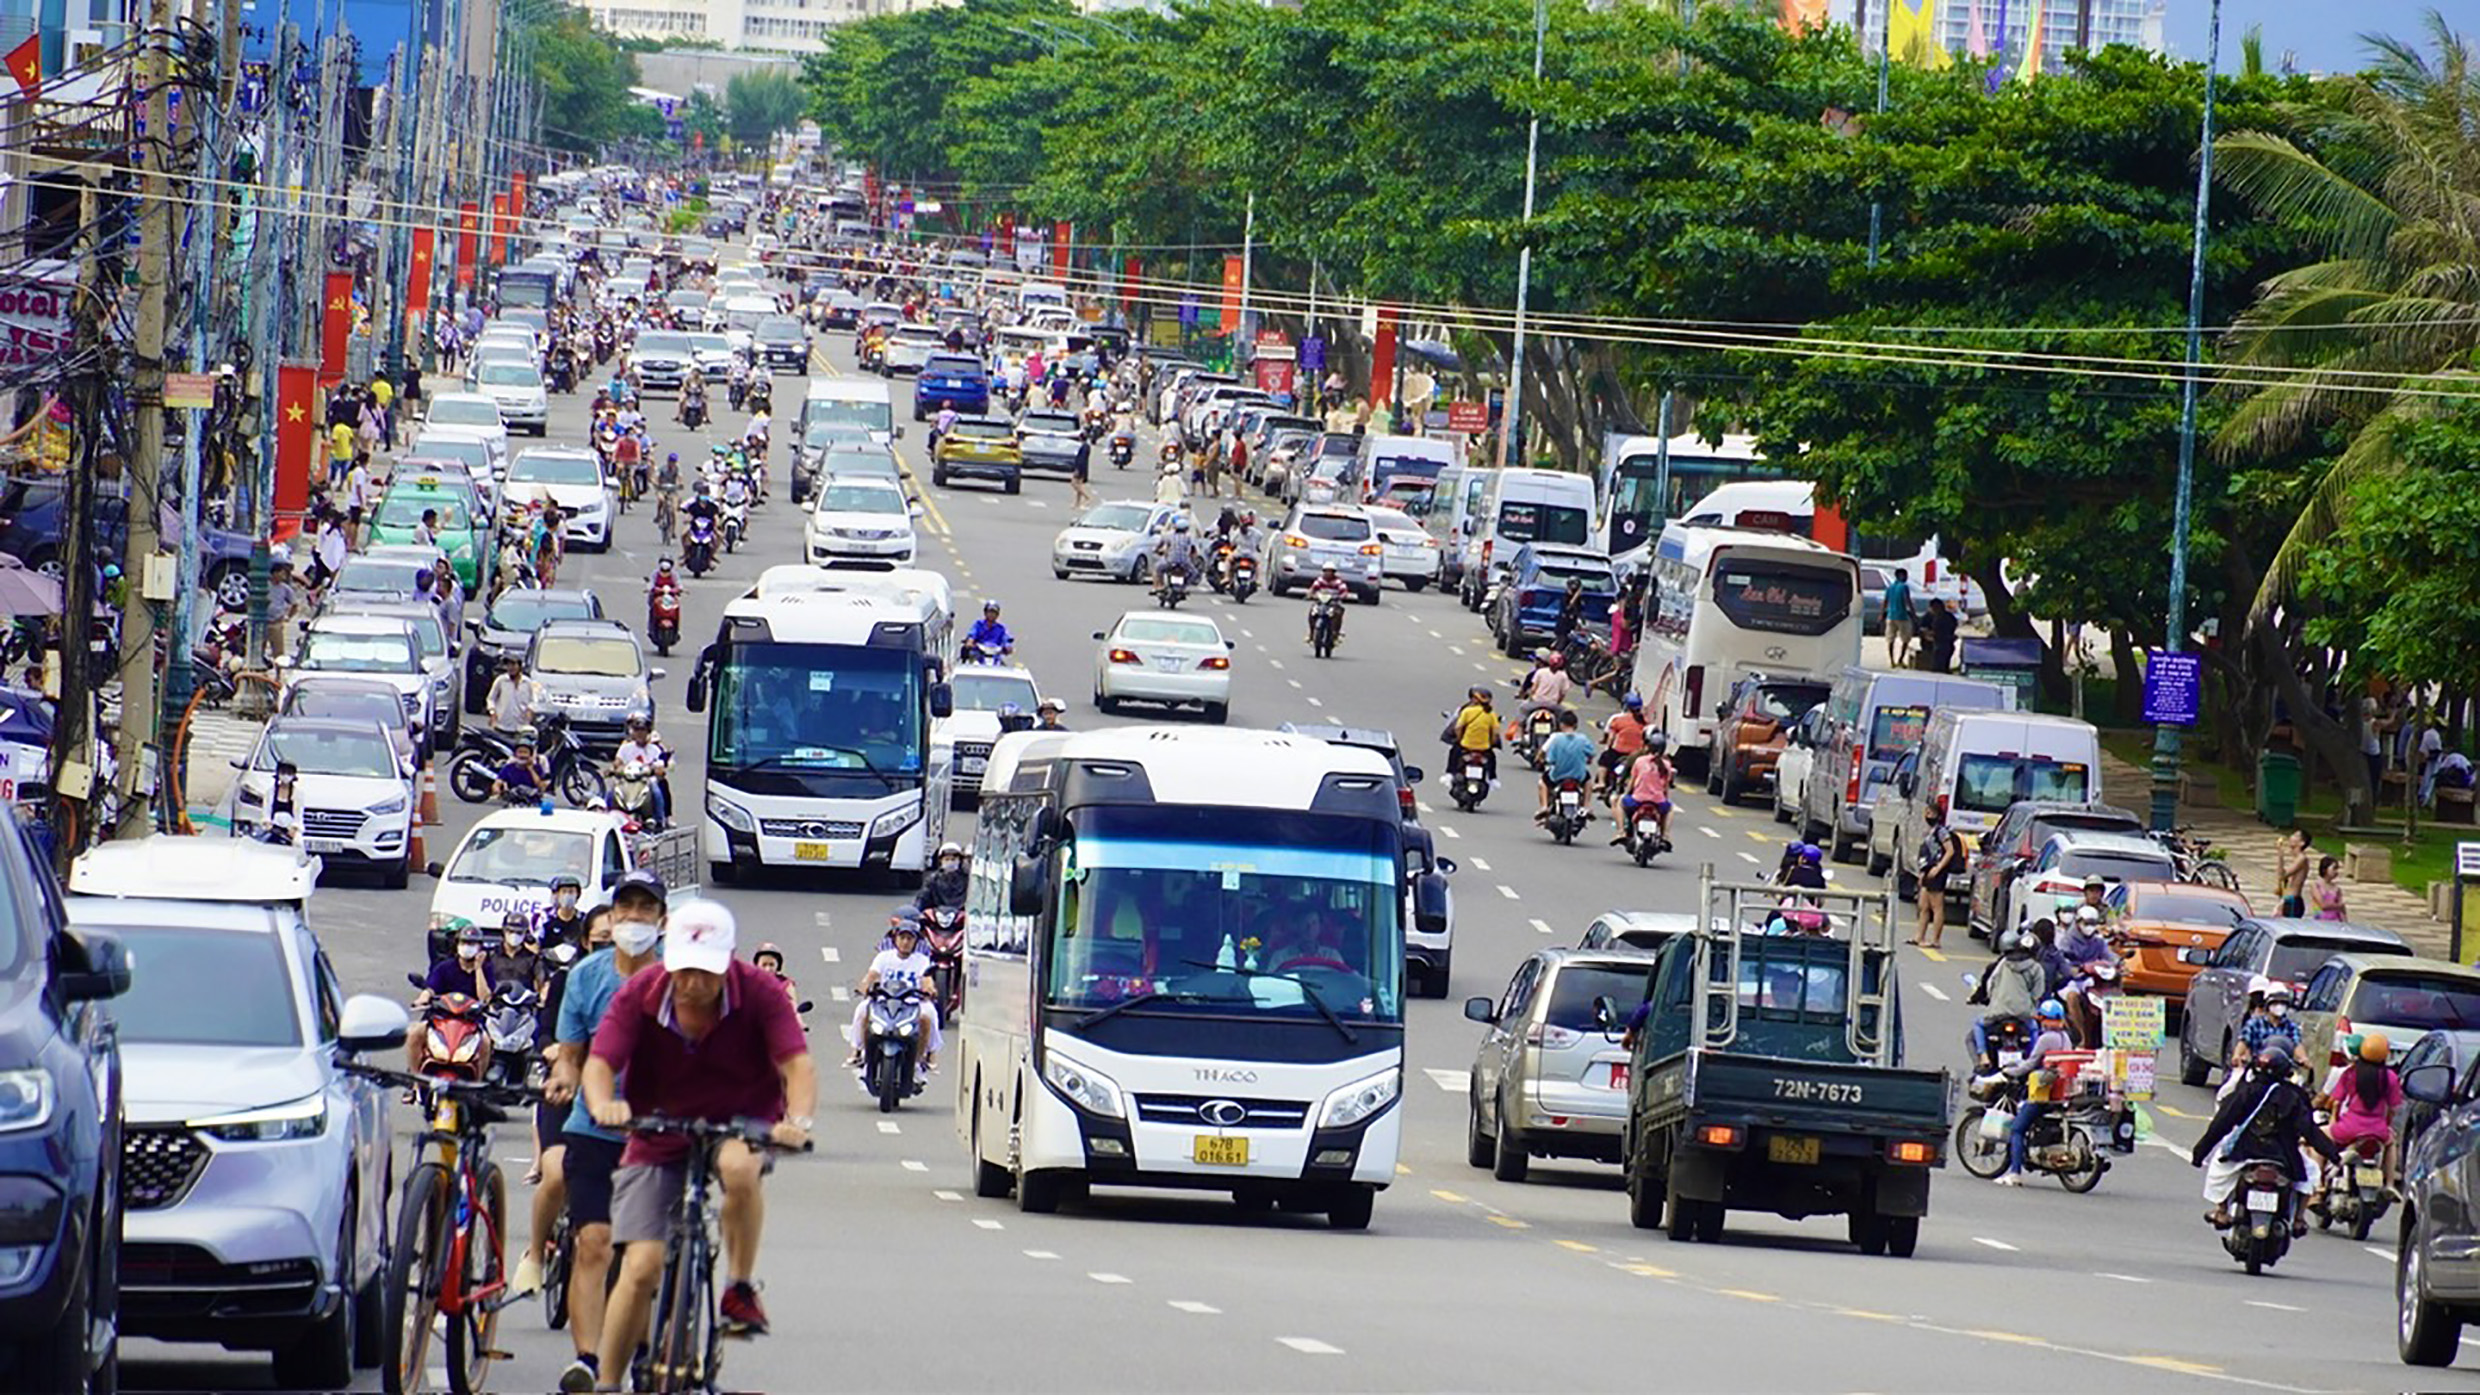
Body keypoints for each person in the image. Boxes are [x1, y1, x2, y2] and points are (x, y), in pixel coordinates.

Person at [585, 898, 813, 1376]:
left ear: (729, 961)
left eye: (705, 973)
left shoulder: (760, 992)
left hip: (740, 1119)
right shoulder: (641, 992)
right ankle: (607, 1382)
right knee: (642, 1265)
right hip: (658, 1126)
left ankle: (739, 1285)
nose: (692, 984)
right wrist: (606, 1103)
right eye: (683, 971)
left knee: (740, 1167)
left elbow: (797, 1064)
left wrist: (797, 1121)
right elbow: (600, 1063)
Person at [540, 872, 667, 1392]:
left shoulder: (679, 981)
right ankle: (588, 1361)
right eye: (626, 909)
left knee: (637, 1259)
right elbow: (570, 1055)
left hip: (655, 1136)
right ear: (611, 918)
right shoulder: (586, 977)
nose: (634, 919)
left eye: (645, 910)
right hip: (592, 1127)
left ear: (661, 921)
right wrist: (564, 1079)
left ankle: (637, 1351)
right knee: (592, 1242)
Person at [2193, 1042, 2341, 1227]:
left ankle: (2221, 1210)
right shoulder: (2294, 1096)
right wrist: (2333, 1155)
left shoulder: (2246, 1091)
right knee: (2310, 1172)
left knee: (2218, 1166)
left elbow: (2221, 1124)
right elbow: (2310, 1131)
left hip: (2245, 1151)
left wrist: (2200, 1153)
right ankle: (2299, 1219)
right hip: (2284, 1155)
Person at [1989, 998, 2076, 1186]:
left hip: (2044, 1092)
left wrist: (2008, 1071)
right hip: (2062, 1092)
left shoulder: (2046, 1038)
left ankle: (2014, 1173)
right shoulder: (2066, 1037)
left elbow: (2030, 1064)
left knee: (2017, 1129)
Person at [847, 916, 941, 1075]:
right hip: (885, 1000)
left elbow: (927, 980)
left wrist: (930, 990)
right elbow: (872, 975)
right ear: (895, 939)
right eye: (902, 937)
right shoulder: (884, 957)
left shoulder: (922, 960)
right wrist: (864, 986)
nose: (905, 942)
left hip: (912, 1002)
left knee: (929, 1014)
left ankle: (926, 1056)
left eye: (909, 938)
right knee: (862, 1010)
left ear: (915, 942)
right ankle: (857, 1051)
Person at [2320, 1032, 2402, 1196]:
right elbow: (2393, 1109)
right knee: (2391, 1143)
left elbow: (2336, 1102)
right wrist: (2386, 1125)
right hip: (2377, 1130)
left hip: (2349, 1128)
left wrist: (2334, 1121)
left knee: (2317, 1137)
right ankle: (2390, 1183)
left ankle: (2319, 1185)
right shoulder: (2391, 1077)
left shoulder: (2351, 1073)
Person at [408, 925, 495, 1076]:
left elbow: (485, 998)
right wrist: (422, 999)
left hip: (471, 1022)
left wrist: (478, 968)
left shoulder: (486, 969)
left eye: (472, 944)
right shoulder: (445, 967)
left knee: (486, 1043)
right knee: (414, 1033)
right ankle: (415, 1080)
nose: (468, 947)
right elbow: (430, 989)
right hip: (442, 1019)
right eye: (464, 942)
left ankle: (477, 1085)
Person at [1966, 930, 2047, 1069]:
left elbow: (1991, 983)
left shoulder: (2002, 964)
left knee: (1978, 1026)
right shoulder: (2036, 968)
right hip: (2023, 1014)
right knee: (2034, 1029)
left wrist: (1991, 998)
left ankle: (1983, 1057)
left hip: (1998, 1013)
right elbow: (2038, 992)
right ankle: (2033, 1060)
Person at [1534, 708, 1597, 824]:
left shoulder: (1555, 738)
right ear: (1576, 725)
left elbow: (1548, 757)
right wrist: (1588, 760)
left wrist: (1539, 759)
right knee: (1588, 782)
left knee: (1542, 783)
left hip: (1557, 775)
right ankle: (1586, 806)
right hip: (1578, 775)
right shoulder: (1583, 739)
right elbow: (1591, 754)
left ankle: (1544, 806)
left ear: (1561, 724)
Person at [1611, 734, 1675, 847]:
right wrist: (1665, 800)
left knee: (1620, 802)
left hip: (1638, 800)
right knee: (1670, 808)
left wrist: (1625, 794)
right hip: (1658, 802)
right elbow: (1665, 788)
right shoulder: (1667, 765)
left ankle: (1621, 832)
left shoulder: (1639, 761)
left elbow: (1632, 783)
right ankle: (1665, 836)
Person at [1912, 810, 1964, 949]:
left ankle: (1935, 939)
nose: (1928, 816)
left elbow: (1950, 851)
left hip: (1937, 871)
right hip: (1927, 870)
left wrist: (1939, 867)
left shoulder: (1941, 832)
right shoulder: (1928, 831)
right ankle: (1919, 936)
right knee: (1923, 906)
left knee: (1937, 906)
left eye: (1931, 813)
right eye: (1927, 813)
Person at [612, 716, 673, 826]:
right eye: (637, 730)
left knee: (656, 791)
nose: (640, 733)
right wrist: (616, 769)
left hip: (647, 781)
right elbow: (617, 762)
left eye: (642, 730)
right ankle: (608, 815)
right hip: (628, 781)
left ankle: (659, 819)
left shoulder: (655, 750)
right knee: (612, 792)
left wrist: (657, 770)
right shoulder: (626, 748)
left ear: (648, 732)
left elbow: (661, 766)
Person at [1445, 684, 1500, 787]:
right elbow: (1495, 732)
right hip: (1484, 748)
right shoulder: (1491, 713)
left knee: (1454, 752)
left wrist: (1460, 739)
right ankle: (1493, 778)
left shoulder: (1467, 711)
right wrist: (1491, 743)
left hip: (1466, 745)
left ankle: (1449, 774)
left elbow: (1458, 728)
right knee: (1492, 758)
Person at [1597, 694, 1649, 796]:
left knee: (1604, 759)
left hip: (1619, 752)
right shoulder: (1644, 722)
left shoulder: (1617, 719)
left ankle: (1601, 782)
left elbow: (1611, 738)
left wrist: (1607, 747)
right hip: (1637, 754)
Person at [536, 873, 591, 951]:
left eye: (571, 892)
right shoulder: (545, 918)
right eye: (564, 892)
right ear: (557, 895)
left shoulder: (584, 919)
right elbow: (537, 944)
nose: (567, 895)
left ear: (577, 895)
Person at [913, 841, 967, 918]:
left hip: (961, 920)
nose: (950, 862)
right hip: (937, 919)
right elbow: (922, 899)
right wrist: (914, 914)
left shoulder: (968, 879)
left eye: (953, 859)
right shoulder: (932, 880)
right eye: (947, 859)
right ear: (941, 861)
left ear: (960, 861)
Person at [487, 656, 536, 739]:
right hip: (502, 726)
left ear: (519, 666)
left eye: (513, 665)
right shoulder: (501, 681)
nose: (510, 668)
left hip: (521, 727)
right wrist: (492, 712)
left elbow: (533, 700)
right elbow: (490, 699)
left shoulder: (527, 683)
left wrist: (530, 710)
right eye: (508, 665)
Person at [1303, 563, 1352, 644]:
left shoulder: (1338, 582)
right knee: (1312, 612)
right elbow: (1313, 589)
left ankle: (1335, 634)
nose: (1328, 573)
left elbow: (1344, 592)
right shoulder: (1320, 580)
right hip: (1321, 603)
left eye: (1330, 571)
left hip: (1333, 603)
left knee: (1338, 613)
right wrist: (1310, 595)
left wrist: (1342, 596)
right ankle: (1311, 634)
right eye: (1326, 571)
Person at [492, 735, 551, 802]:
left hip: (532, 800)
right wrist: (497, 789)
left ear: (530, 755)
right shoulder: (509, 768)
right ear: (515, 755)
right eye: (520, 752)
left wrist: (531, 769)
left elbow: (541, 786)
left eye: (525, 752)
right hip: (514, 800)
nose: (522, 755)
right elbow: (498, 782)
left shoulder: (537, 768)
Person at [1152, 516, 1201, 596]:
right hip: (1185, 563)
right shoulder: (1189, 538)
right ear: (1186, 529)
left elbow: (1159, 546)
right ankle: (1184, 587)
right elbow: (1194, 551)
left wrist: (1155, 550)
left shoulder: (1168, 536)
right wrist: (1192, 558)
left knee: (1157, 569)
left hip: (1170, 562)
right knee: (1194, 573)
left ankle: (1159, 586)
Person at [1882, 567, 1917, 668]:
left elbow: (1885, 601)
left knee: (1890, 639)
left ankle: (1892, 661)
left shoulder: (1890, 587)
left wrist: (1881, 614)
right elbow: (1907, 600)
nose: (1906, 577)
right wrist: (1913, 614)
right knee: (1905, 639)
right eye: (1905, 575)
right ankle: (1900, 660)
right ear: (1901, 576)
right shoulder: (1904, 587)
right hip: (1902, 616)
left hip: (1890, 616)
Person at [1920, 597, 1959, 673]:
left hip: (1941, 647)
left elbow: (1938, 633)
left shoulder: (1939, 619)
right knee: (1944, 667)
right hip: (1948, 645)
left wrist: (1928, 634)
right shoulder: (1949, 616)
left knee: (1938, 669)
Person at [2311, 855, 2348, 921]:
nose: (2336, 871)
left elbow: (2342, 910)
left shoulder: (2337, 889)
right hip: (2320, 921)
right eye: (2334, 868)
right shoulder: (2316, 886)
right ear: (2325, 869)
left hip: (2335, 921)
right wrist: (2339, 906)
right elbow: (2323, 905)